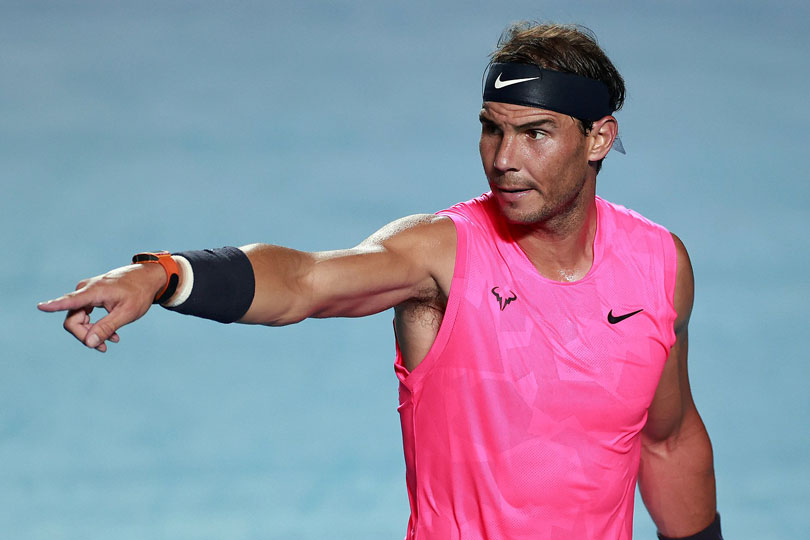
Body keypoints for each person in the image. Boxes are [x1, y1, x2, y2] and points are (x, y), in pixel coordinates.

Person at [38, 22, 721, 540]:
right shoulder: (440, 254)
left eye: (535, 133)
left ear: (598, 138)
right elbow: (304, 280)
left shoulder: (659, 266)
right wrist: (164, 274)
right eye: (491, 130)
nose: (503, 159)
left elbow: (666, 439)